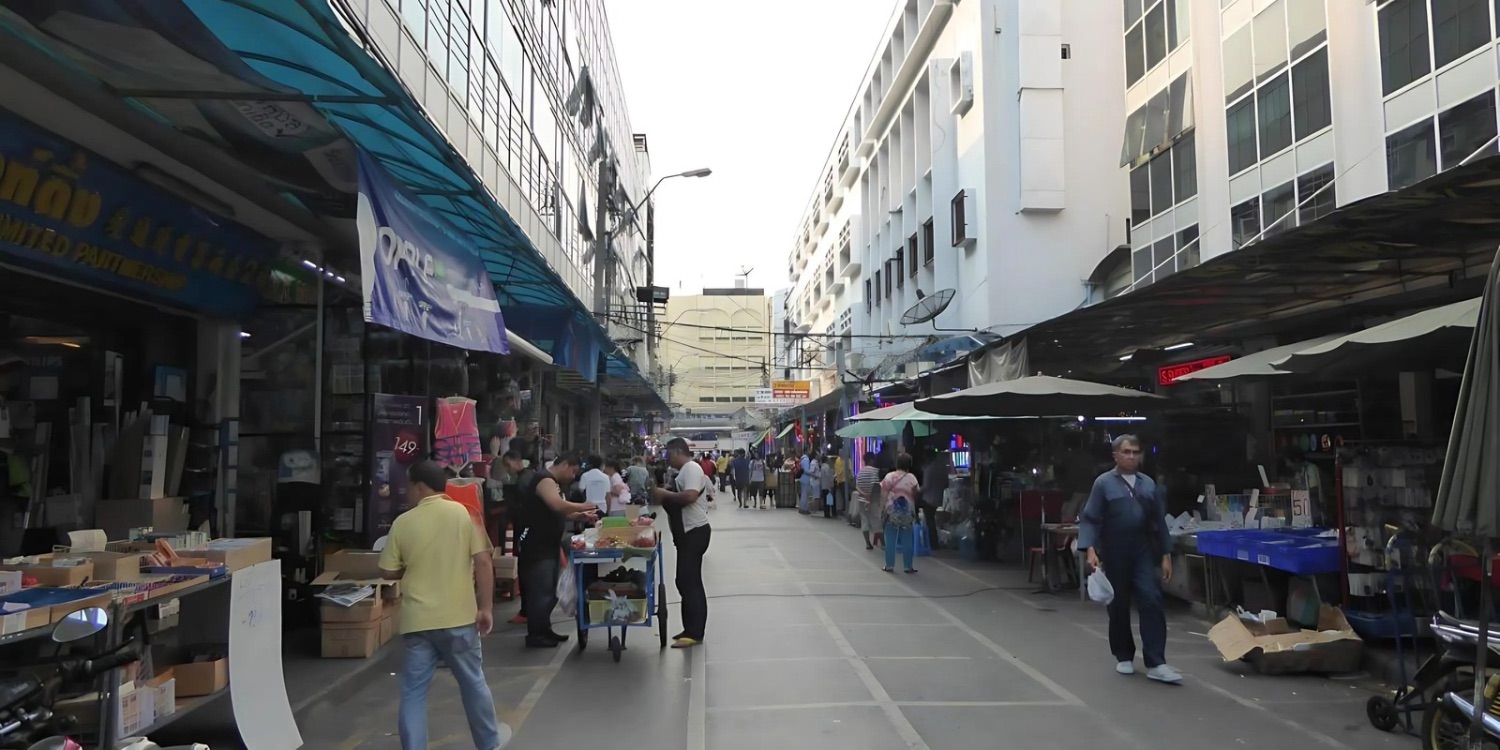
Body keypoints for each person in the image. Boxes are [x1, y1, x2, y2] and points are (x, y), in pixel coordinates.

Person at [378, 461, 511, 750]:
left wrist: (408, 566)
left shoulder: (403, 522)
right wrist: (485, 607)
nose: (407, 493)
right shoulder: (465, 515)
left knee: (413, 694)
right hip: (459, 619)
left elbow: (387, 571)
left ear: (421, 487)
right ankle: (488, 744)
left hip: (418, 623)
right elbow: (484, 561)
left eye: (410, 487)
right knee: (473, 684)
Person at [1078, 435, 1181, 685]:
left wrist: (1166, 555)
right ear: (1115, 455)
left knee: (1151, 599)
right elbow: (1091, 518)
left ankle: (1157, 661)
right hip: (1114, 550)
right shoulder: (1103, 484)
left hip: (1144, 550)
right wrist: (1091, 550)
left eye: (1136, 452)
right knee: (1119, 603)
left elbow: (1159, 522)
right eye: (1126, 452)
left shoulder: (1148, 484)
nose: (1132, 456)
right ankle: (1123, 654)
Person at [515, 453, 598, 648]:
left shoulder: (553, 483)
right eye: (574, 471)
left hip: (549, 545)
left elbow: (555, 512)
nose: (573, 476)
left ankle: (545, 630)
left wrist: (578, 516)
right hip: (537, 547)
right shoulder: (545, 480)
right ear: (565, 465)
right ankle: (536, 635)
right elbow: (556, 504)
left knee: (549, 591)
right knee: (540, 592)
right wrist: (582, 505)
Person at [652, 438, 712, 648]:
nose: (667, 458)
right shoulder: (684, 471)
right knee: (683, 580)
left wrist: (664, 493)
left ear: (678, 452)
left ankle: (695, 633)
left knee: (690, 581)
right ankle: (689, 628)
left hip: (695, 531)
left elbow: (690, 496)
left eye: (669, 454)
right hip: (686, 533)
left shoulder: (691, 468)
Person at [879, 453, 921, 573]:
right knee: (907, 539)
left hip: (891, 512)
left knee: (890, 539)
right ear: (909, 465)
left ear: (897, 463)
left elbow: (883, 495)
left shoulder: (889, 477)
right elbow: (916, 494)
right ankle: (908, 566)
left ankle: (889, 565)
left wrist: (881, 509)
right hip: (907, 512)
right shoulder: (912, 478)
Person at [920, 451, 950, 550]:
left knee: (929, 521)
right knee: (931, 520)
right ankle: (934, 542)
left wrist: (916, 490)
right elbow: (946, 484)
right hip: (938, 498)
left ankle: (932, 543)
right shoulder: (942, 468)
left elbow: (926, 486)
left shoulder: (928, 469)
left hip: (928, 498)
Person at [854, 453, 882, 550]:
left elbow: (857, 486)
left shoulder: (860, 472)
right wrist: (870, 495)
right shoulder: (875, 471)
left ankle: (867, 543)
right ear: (871, 460)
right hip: (873, 500)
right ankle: (883, 543)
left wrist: (864, 494)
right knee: (876, 520)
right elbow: (875, 484)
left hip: (862, 500)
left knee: (864, 520)